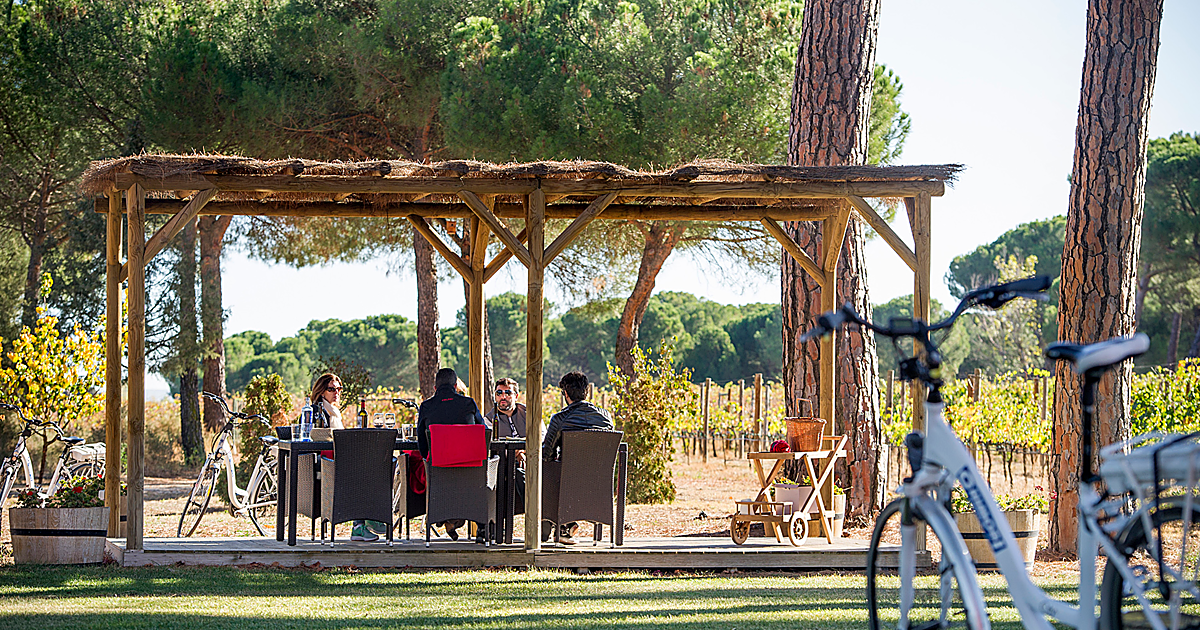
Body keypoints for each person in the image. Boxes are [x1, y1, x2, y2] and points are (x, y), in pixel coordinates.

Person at [541, 371, 614, 545]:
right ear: (586, 391)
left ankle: (558, 525)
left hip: (567, 481)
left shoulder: (560, 418)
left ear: (565, 394)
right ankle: (564, 527)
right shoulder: (606, 418)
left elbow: (547, 454)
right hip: (598, 481)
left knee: (545, 470)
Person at [416, 367, 485, 541]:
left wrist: (429, 461)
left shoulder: (426, 406)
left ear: (435, 388)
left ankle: (447, 517)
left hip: (439, 470)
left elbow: (422, 443)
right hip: (470, 472)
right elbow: (482, 431)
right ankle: (477, 526)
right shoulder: (468, 403)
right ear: (455, 386)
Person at [310, 373, 381, 542]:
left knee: (373, 466)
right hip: (323, 463)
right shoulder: (317, 411)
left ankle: (370, 519)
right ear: (321, 392)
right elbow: (318, 440)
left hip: (337, 459)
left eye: (339, 389)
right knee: (362, 472)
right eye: (331, 389)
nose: (337, 392)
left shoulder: (334, 412)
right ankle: (360, 525)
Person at [486, 378, 526, 515]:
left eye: (508, 393)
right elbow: (489, 447)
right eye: (499, 393)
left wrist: (524, 452)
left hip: (529, 462)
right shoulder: (490, 419)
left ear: (516, 395)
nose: (503, 397)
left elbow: (542, 437)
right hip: (502, 466)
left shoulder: (528, 414)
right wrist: (515, 453)